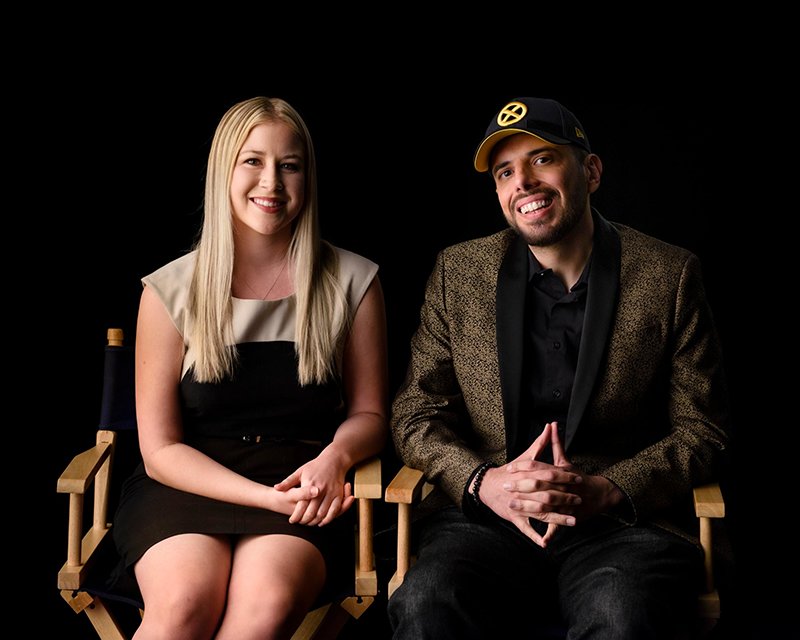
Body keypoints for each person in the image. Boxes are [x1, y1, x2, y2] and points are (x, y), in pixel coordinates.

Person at [386, 97, 730, 639]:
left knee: (621, 614)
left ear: (590, 172)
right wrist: (483, 483)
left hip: (620, 524)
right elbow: (416, 413)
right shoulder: (459, 272)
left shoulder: (670, 274)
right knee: (427, 601)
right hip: (489, 518)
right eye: (505, 172)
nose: (523, 181)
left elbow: (703, 430)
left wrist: (608, 488)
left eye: (542, 159)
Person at [111, 96, 388, 639]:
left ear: (307, 177)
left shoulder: (354, 281)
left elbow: (372, 415)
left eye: (290, 165)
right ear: (224, 171)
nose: (272, 183)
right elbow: (160, 450)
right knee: (184, 604)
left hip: (302, 486)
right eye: (253, 161)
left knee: (263, 609)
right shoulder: (169, 290)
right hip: (186, 485)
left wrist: (335, 458)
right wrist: (265, 497)